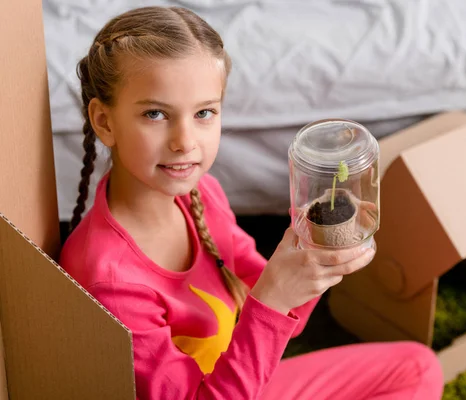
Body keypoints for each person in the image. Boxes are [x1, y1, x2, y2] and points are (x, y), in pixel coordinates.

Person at [59, 6, 444, 400]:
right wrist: (273, 299)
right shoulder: (110, 282)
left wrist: (316, 253)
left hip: (245, 385)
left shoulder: (201, 195)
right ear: (104, 122)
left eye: (204, 112)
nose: (185, 141)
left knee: (418, 368)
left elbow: (278, 319)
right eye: (156, 114)